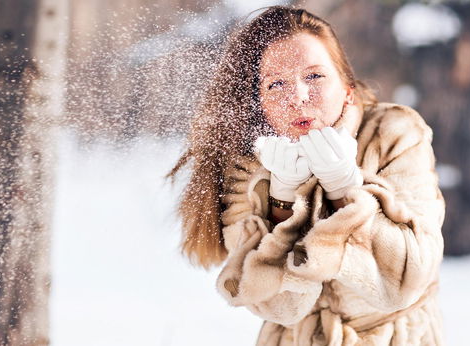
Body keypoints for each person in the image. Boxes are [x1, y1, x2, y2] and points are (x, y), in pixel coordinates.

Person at [167, 6, 446, 345]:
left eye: (314, 77)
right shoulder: (246, 167)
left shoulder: (394, 134)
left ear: (347, 88)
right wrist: (282, 200)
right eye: (276, 84)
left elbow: (408, 279)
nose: (298, 97)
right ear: (261, 104)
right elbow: (280, 306)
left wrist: (345, 189)